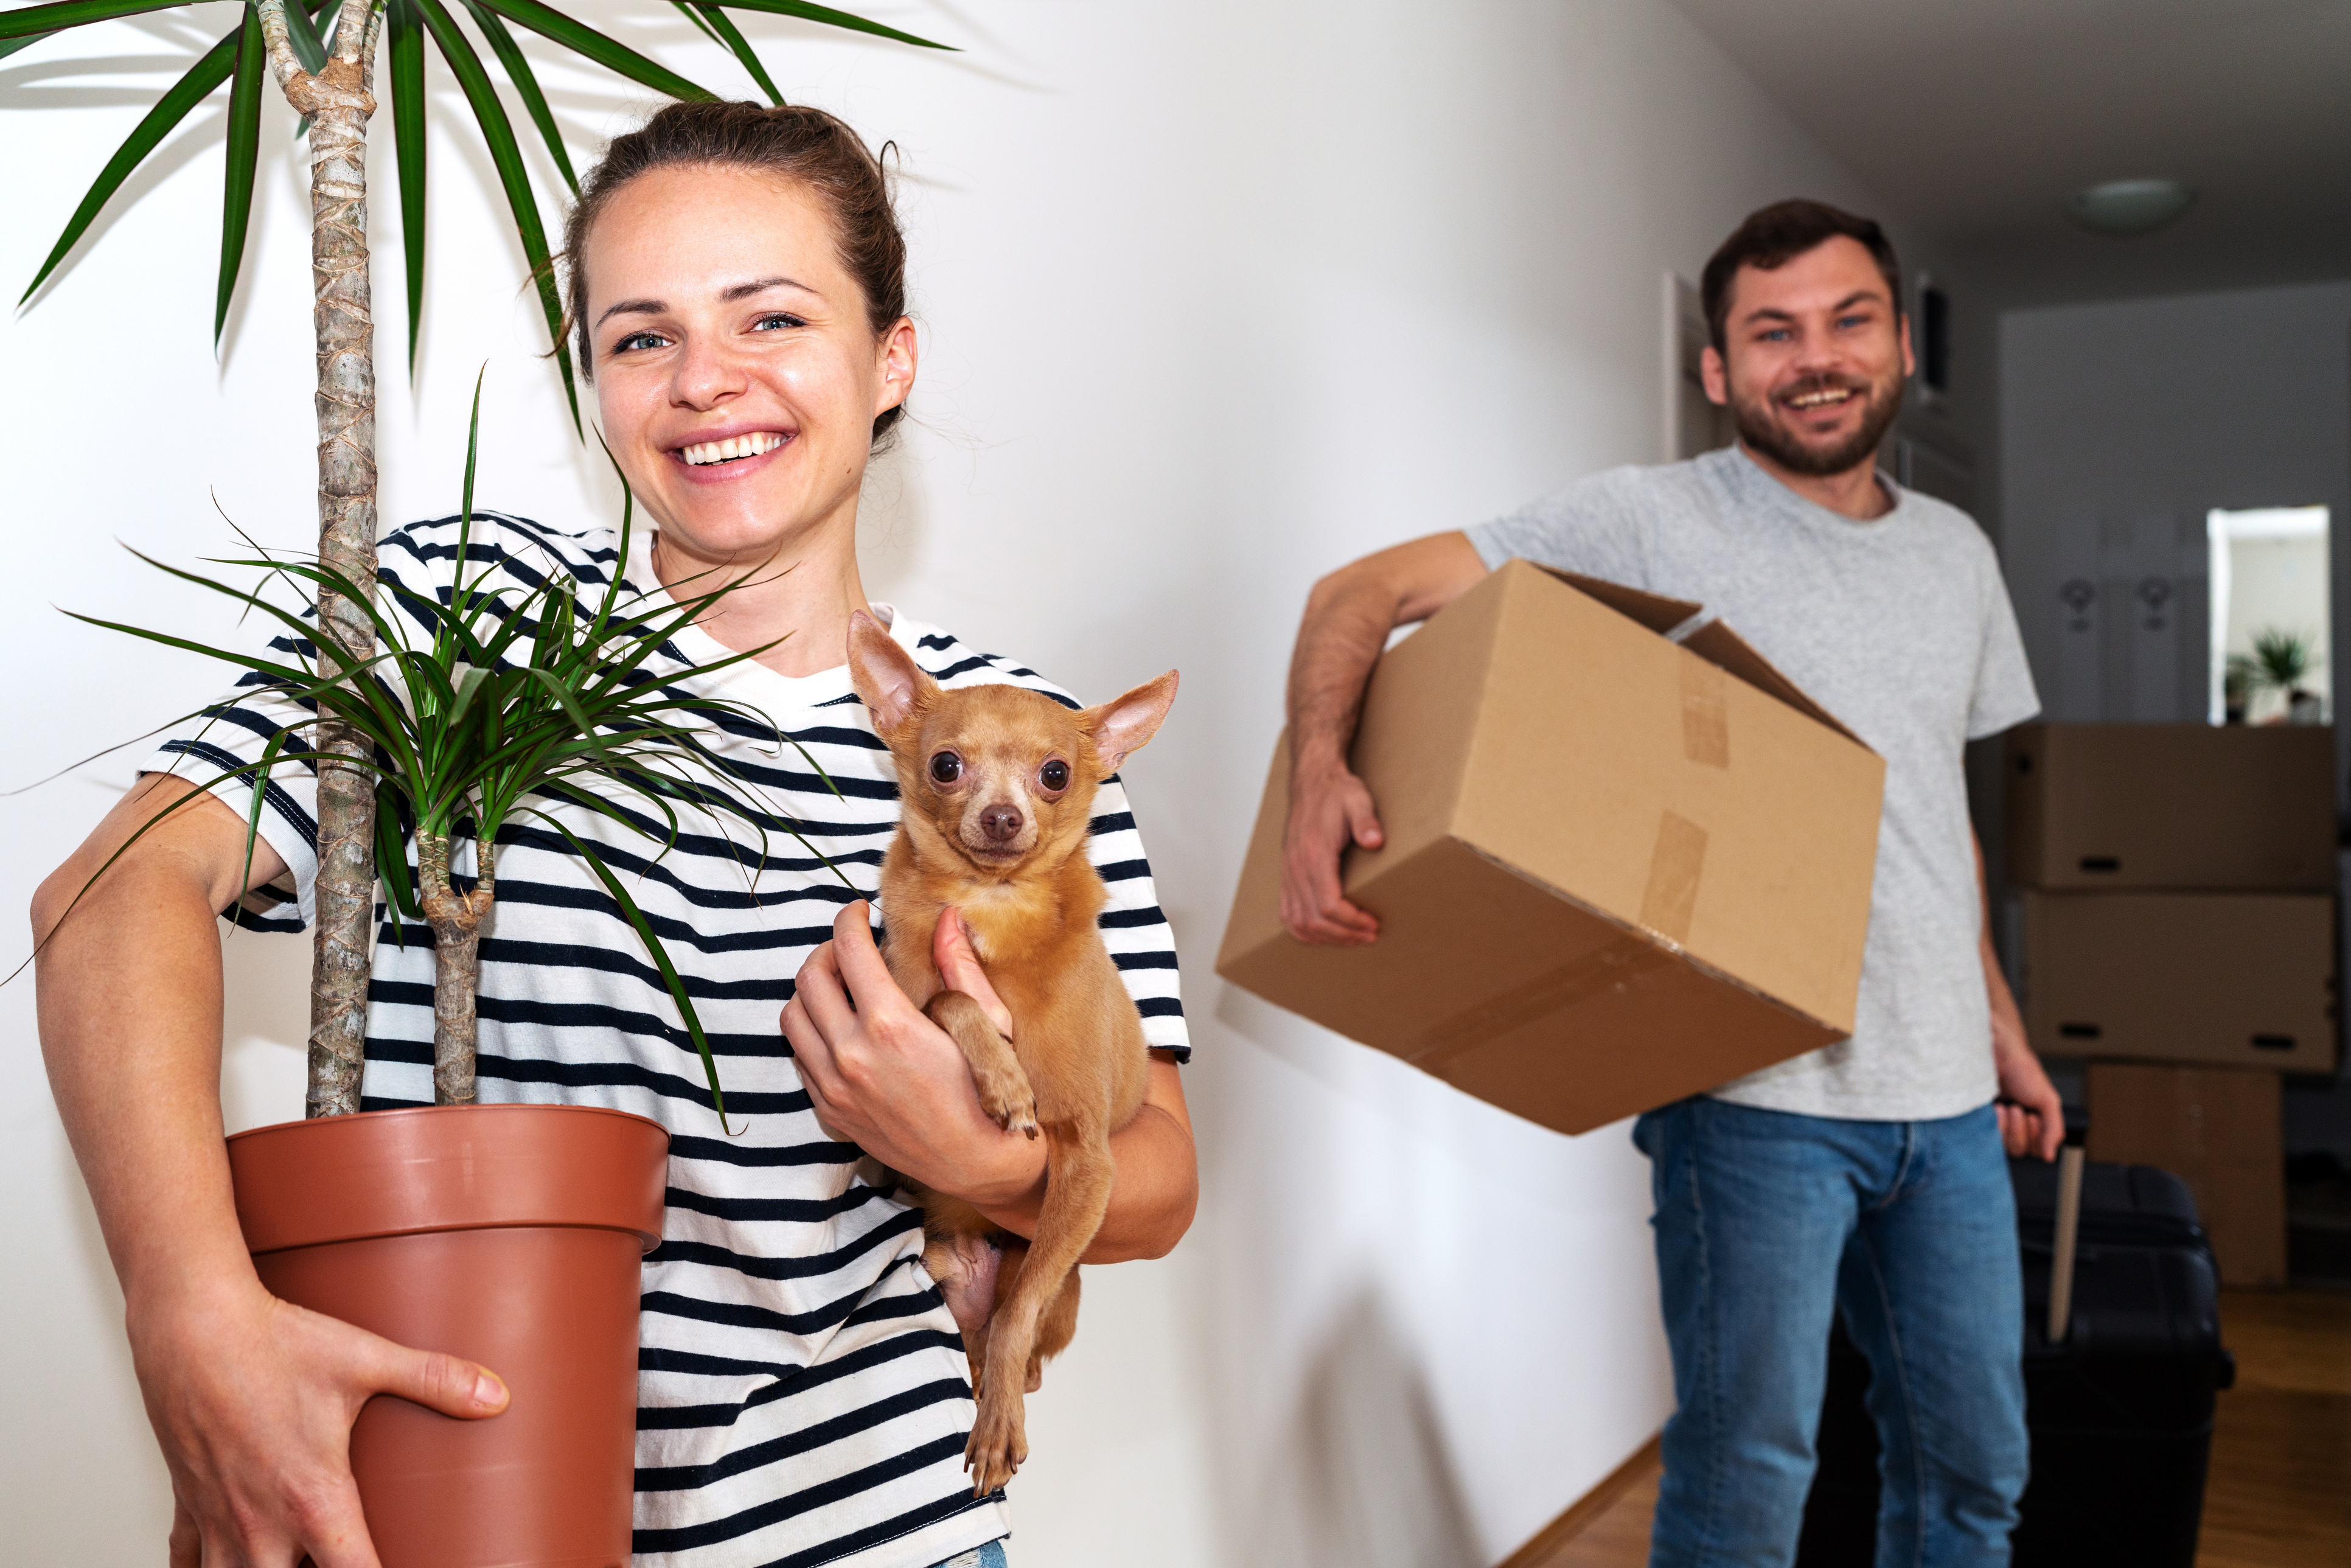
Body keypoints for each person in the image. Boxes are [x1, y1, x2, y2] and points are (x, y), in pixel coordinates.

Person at [33, 100, 1196, 1568]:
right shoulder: (461, 617)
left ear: (892, 356)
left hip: (891, 1528)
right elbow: (113, 889)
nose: (706, 380)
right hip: (461, 1508)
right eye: (642, 336)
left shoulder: (1017, 756)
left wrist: (975, 1151)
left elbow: (1159, 1172)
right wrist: (192, 1312)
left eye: (772, 318)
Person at [1277, 199, 2063, 1567]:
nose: (1815, 359)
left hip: (1946, 1109)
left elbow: (1943, 820)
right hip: (1754, 1100)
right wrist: (1316, 772)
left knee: (1975, 1475)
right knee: (1746, 1482)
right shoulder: (1651, 517)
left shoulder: (1959, 554)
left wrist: (2001, 1026)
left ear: (1899, 346)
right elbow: (1362, 589)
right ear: (1717, 368)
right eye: (1773, 332)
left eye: (1847, 321)